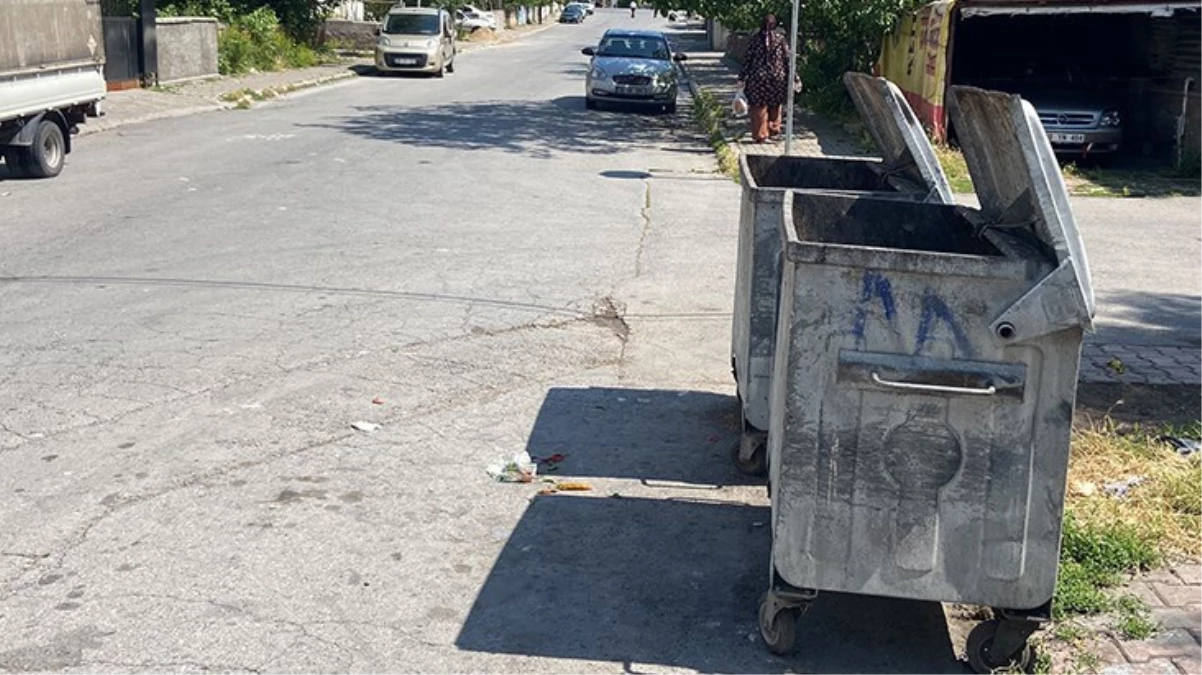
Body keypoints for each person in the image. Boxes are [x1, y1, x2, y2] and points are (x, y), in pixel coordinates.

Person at [737, 14, 791, 143]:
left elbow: (748, 60)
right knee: (775, 105)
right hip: (777, 78)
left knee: (758, 107)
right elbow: (787, 59)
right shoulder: (780, 39)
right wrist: (793, 77)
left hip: (758, 78)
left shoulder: (755, 40)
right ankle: (773, 130)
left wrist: (741, 78)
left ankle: (761, 134)